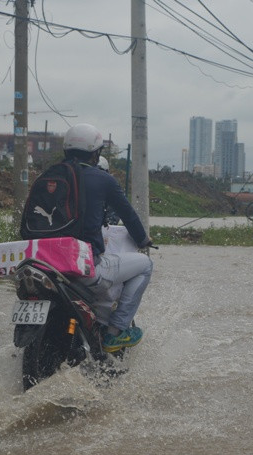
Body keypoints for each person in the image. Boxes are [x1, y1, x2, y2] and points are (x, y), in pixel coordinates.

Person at [62, 123, 154, 353]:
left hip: (46, 260)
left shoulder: (50, 176)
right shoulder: (104, 180)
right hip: (84, 265)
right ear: (95, 153)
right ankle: (116, 331)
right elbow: (129, 217)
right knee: (145, 265)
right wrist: (143, 240)